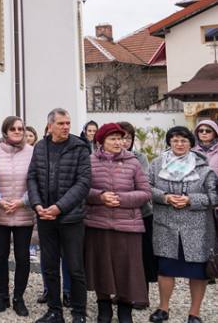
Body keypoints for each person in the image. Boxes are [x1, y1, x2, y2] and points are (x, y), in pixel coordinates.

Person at [148, 126, 218, 323]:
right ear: (169, 142)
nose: (179, 144)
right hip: (166, 225)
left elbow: (214, 196)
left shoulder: (203, 168)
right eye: (175, 140)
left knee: (197, 272)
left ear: (191, 143)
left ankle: (194, 313)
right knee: (166, 269)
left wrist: (190, 200)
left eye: (184, 140)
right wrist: (165, 197)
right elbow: (146, 187)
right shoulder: (157, 164)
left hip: (197, 228)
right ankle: (163, 308)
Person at [27, 108, 91, 323]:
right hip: (45, 218)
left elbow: (83, 183)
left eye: (68, 123)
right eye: (61, 123)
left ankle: (79, 313)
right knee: (50, 267)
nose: (66, 127)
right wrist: (37, 204)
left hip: (70, 218)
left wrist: (59, 207)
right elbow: (32, 178)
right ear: (50, 126)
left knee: (75, 268)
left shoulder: (79, 148)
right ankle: (55, 311)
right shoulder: (40, 147)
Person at [83, 123, 150, 323]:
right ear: (101, 141)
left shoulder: (133, 162)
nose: (118, 142)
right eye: (112, 139)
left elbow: (145, 192)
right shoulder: (90, 161)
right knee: (101, 266)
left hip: (127, 225)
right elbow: (82, 189)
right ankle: (104, 308)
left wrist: (121, 199)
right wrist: (100, 196)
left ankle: (125, 309)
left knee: (127, 269)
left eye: (120, 138)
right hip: (98, 222)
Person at [0, 116, 34, 317]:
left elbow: (37, 181)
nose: (17, 132)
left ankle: (19, 297)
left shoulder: (33, 152)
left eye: (20, 129)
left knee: (23, 257)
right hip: (0, 212)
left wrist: (22, 201)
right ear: (5, 131)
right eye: (13, 129)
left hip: (23, 212)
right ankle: (3, 295)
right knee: (0, 256)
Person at [119, 121, 158, 289]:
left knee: (142, 254)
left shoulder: (139, 157)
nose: (124, 142)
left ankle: (142, 293)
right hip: (116, 214)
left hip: (141, 213)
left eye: (129, 138)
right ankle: (121, 292)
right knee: (121, 255)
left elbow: (142, 183)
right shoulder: (103, 157)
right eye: (121, 137)